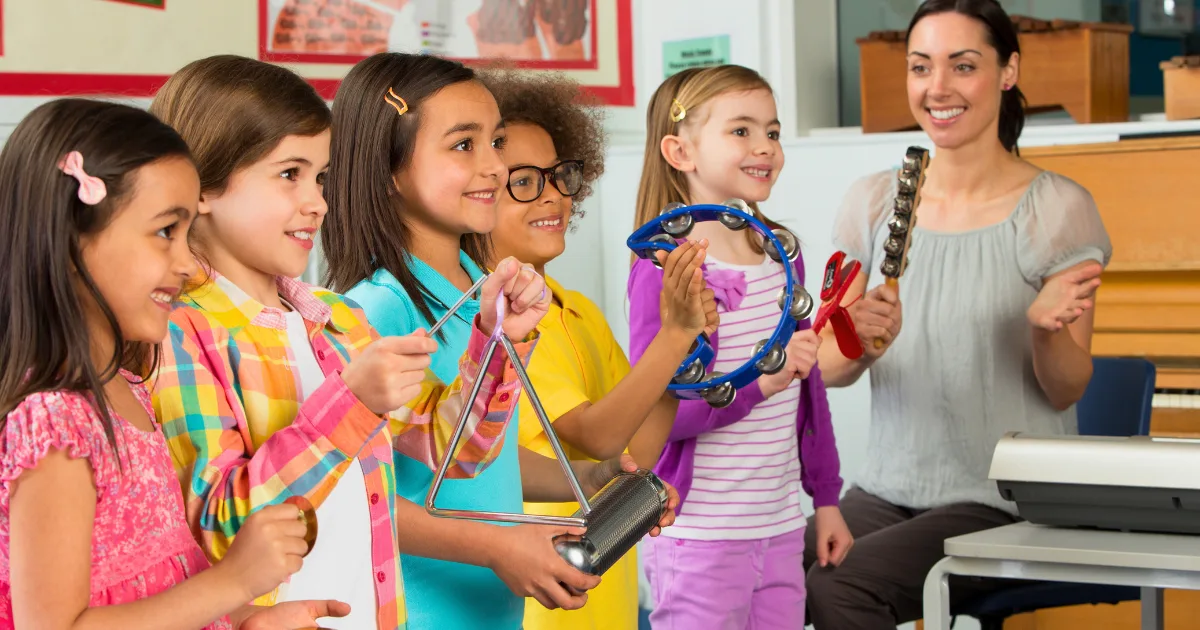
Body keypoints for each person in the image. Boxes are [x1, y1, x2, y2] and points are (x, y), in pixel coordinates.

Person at [149, 55, 542, 630]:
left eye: (322, 178)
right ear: (201, 187)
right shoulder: (180, 334)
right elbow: (222, 526)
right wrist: (349, 408)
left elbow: (454, 454)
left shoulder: (335, 322)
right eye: (290, 174)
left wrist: (496, 342)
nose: (317, 202)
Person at [321, 52, 680, 630]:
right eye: (465, 145)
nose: (493, 166)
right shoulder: (376, 311)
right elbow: (356, 497)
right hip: (417, 614)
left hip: (494, 612)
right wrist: (496, 547)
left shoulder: (482, 298)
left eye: (496, 142)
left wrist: (584, 477)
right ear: (389, 167)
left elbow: (473, 456)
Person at [803, 1, 1113, 627]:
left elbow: (1065, 389)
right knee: (761, 561)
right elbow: (828, 372)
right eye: (921, 67)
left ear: (1007, 71)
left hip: (1005, 500)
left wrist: (1043, 328)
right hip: (888, 490)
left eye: (962, 66)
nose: (937, 88)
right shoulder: (871, 201)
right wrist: (860, 339)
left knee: (843, 588)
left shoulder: (1056, 209)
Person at [0, 98, 347, 630]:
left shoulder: (128, 387)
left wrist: (246, 618)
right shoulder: (54, 420)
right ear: (72, 242)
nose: (187, 265)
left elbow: (162, 577)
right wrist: (234, 579)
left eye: (187, 236)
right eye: (165, 232)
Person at [479, 67, 718, 630]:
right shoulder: (497, 317)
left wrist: (682, 346)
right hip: (539, 607)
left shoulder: (577, 308)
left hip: (604, 598)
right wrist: (674, 335)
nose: (554, 196)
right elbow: (594, 437)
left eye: (559, 176)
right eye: (523, 181)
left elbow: (635, 451)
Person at [628, 64, 851, 628]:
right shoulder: (664, 268)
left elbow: (810, 395)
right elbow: (659, 415)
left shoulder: (781, 256)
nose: (765, 148)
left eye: (772, 132)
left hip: (778, 527)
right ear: (681, 151)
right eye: (742, 131)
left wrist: (825, 500)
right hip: (696, 535)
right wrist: (760, 386)